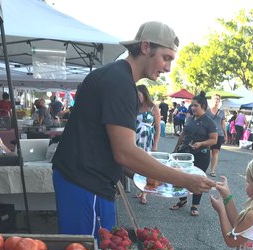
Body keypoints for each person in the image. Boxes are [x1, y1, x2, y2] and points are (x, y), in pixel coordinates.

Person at [51, 21, 215, 236]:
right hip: (84, 183)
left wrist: (154, 173)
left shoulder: (120, 78)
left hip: (91, 182)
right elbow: (125, 152)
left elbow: (112, 146)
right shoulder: (119, 82)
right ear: (146, 47)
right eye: (166, 58)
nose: (168, 68)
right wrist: (184, 180)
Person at [170, 92, 217, 216]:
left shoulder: (209, 121)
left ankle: (195, 206)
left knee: (198, 179)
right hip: (184, 153)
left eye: (195, 105)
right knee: (180, 176)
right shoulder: (190, 118)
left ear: (203, 106)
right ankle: (182, 200)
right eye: (192, 105)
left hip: (201, 155)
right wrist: (175, 150)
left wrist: (201, 143)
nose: (192, 108)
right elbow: (183, 134)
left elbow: (214, 140)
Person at [135, 84, 161, 205]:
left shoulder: (153, 107)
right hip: (136, 137)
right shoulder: (135, 106)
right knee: (135, 164)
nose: (137, 97)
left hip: (147, 139)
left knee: (146, 165)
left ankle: (144, 192)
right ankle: (141, 189)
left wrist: (155, 144)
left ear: (144, 94)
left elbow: (158, 127)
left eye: (139, 94)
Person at [206, 93, 227, 177]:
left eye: (218, 99)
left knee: (215, 152)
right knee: (207, 151)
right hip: (208, 134)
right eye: (215, 99)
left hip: (219, 134)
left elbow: (223, 124)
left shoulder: (222, 112)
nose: (216, 100)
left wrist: (225, 135)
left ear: (219, 101)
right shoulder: (207, 111)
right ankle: (203, 168)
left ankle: (212, 170)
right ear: (212, 100)